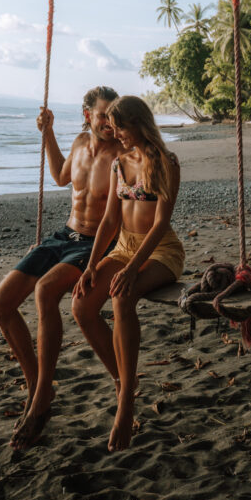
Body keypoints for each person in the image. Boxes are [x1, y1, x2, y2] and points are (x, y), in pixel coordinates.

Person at [0, 85, 120, 451]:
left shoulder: (123, 153)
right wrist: (47, 134)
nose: (110, 122)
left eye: (114, 115)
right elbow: (62, 178)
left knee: (46, 291)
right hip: (64, 236)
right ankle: (38, 390)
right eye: (103, 114)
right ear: (87, 115)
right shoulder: (79, 144)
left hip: (97, 242)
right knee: (0, 303)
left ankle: (42, 396)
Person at [72, 95, 184, 452]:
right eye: (112, 126)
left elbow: (161, 223)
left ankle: (126, 404)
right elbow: (109, 221)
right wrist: (91, 264)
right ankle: (122, 380)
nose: (115, 132)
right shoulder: (119, 164)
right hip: (122, 248)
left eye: (120, 126)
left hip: (159, 251)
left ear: (139, 124)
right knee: (82, 306)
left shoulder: (165, 162)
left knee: (122, 299)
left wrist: (134, 269)